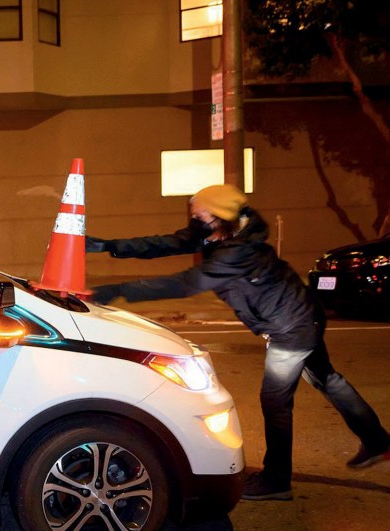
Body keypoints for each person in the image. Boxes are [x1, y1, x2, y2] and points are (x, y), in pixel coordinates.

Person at [86, 184, 390, 501]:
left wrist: (117, 289)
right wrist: (109, 245)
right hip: (302, 314)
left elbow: (188, 283)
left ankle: (276, 480)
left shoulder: (238, 252)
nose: (194, 218)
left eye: (199, 213)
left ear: (218, 217)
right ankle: (378, 442)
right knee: (327, 379)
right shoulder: (216, 232)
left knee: (276, 403)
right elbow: (167, 243)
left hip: (290, 326)